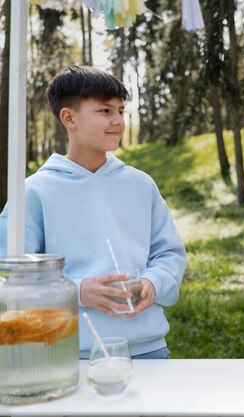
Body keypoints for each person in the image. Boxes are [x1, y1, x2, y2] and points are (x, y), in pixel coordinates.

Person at [0, 66, 187, 359]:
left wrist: (153, 282)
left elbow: (169, 254)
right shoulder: (32, 194)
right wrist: (78, 291)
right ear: (69, 118)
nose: (118, 121)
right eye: (104, 111)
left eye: (120, 111)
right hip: (67, 356)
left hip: (149, 353)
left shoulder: (140, 184)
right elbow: (9, 279)